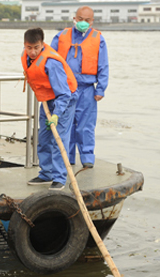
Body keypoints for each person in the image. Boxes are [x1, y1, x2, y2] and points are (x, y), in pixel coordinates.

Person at [51, 6, 109, 168]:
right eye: (80, 19)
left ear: (92, 21)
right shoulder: (61, 36)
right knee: (65, 125)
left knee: (86, 126)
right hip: (65, 89)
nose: (83, 22)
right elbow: (50, 59)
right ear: (74, 18)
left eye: (87, 20)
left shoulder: (98, 38)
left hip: (87, 89)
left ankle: (87, 158)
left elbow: (103, 65)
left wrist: (101, 89)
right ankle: (67, 157)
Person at [22, 28, 79, 190]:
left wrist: (56, 115)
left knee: (58, 138)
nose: (32, 52)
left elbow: (64, 93)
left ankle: (59, 177)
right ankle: (46, 173)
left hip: (65, 99)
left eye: (36, 48)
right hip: (48, 99)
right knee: (44, 136)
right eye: (29, 48)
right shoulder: (27, 57)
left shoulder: (51, 63)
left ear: (42, 44)